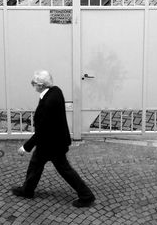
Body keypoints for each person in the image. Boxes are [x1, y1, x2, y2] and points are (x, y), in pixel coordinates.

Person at [11, 70, 96, 208]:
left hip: (51, 144)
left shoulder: (48, 103)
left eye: (34, 83)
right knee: (36, 165)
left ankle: (87, 196)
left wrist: (26, 147)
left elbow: (41, 131)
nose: (33, 86)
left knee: (64, 170)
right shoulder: (56, 91)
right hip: (53, 141)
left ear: (40, 85)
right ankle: (27, 190)